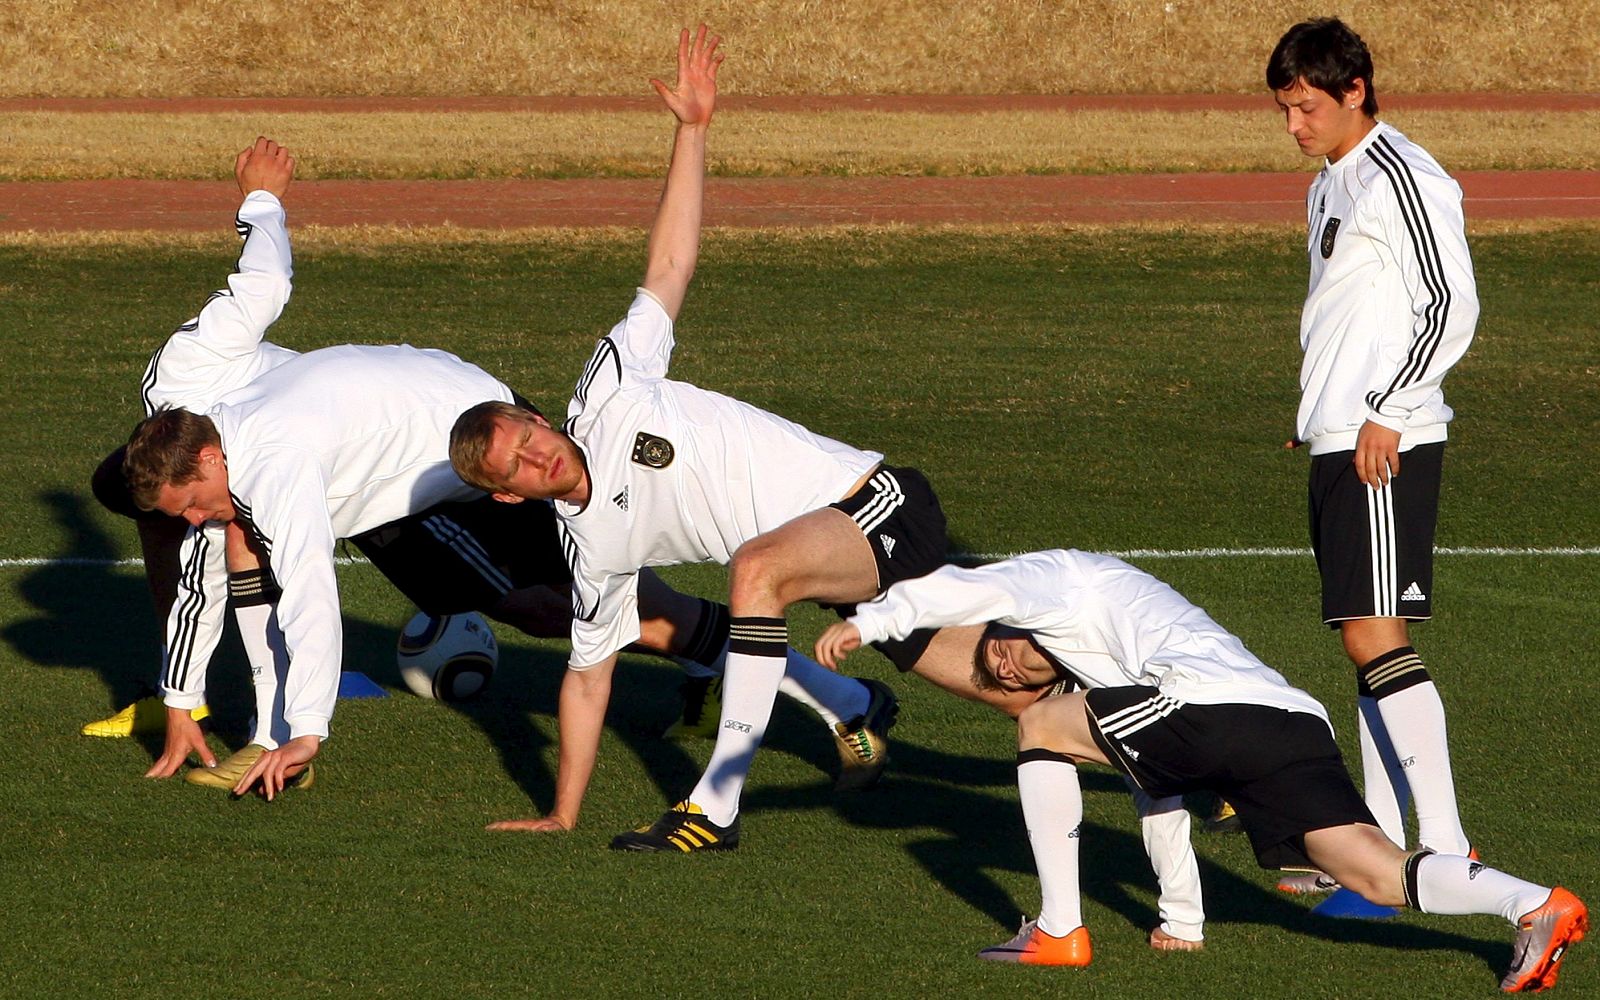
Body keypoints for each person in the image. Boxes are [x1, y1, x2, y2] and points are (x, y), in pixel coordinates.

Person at [450, 25, 964, 852]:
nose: (538, 454)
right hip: (832, 563)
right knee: (1005, 678)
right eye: (518, 467)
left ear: (538, 420)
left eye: (528, 435)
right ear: (511, 493)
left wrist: (692, 130)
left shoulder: (611, 392)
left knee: (754, 572)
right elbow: (587, 682)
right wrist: (561, 813)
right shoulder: (592, 550)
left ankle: (713, 808)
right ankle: (1203, 750)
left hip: (869, 504)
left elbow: (668, 267)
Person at [815, 550, 1587, 991]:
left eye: (1005, 646)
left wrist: (874, 620)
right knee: (1376, 874)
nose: (1008, 659)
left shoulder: (1059, 580)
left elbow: (972, 589)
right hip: (1287, 723)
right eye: (1003, 669)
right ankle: (1533, 904)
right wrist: (1181, 917)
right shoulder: (1121, 674)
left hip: (1218, 711)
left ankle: (1057, 930)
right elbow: (1158, 788)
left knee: (1043, 724)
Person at [1268, 17, 1480, 891]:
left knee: (1373, 634)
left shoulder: (1403, 178)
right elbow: (1349, 309)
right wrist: (1316, 411)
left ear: (1355, 90)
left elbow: (1449, 305)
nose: (1294, 126)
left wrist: (1388, 410)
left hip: (1385, 441)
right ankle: (1387, 855)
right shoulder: (1331, 182)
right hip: (1340, 435)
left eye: (1307, 107)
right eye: (1284, 110)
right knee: (1360, 638)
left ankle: (1447, 847)